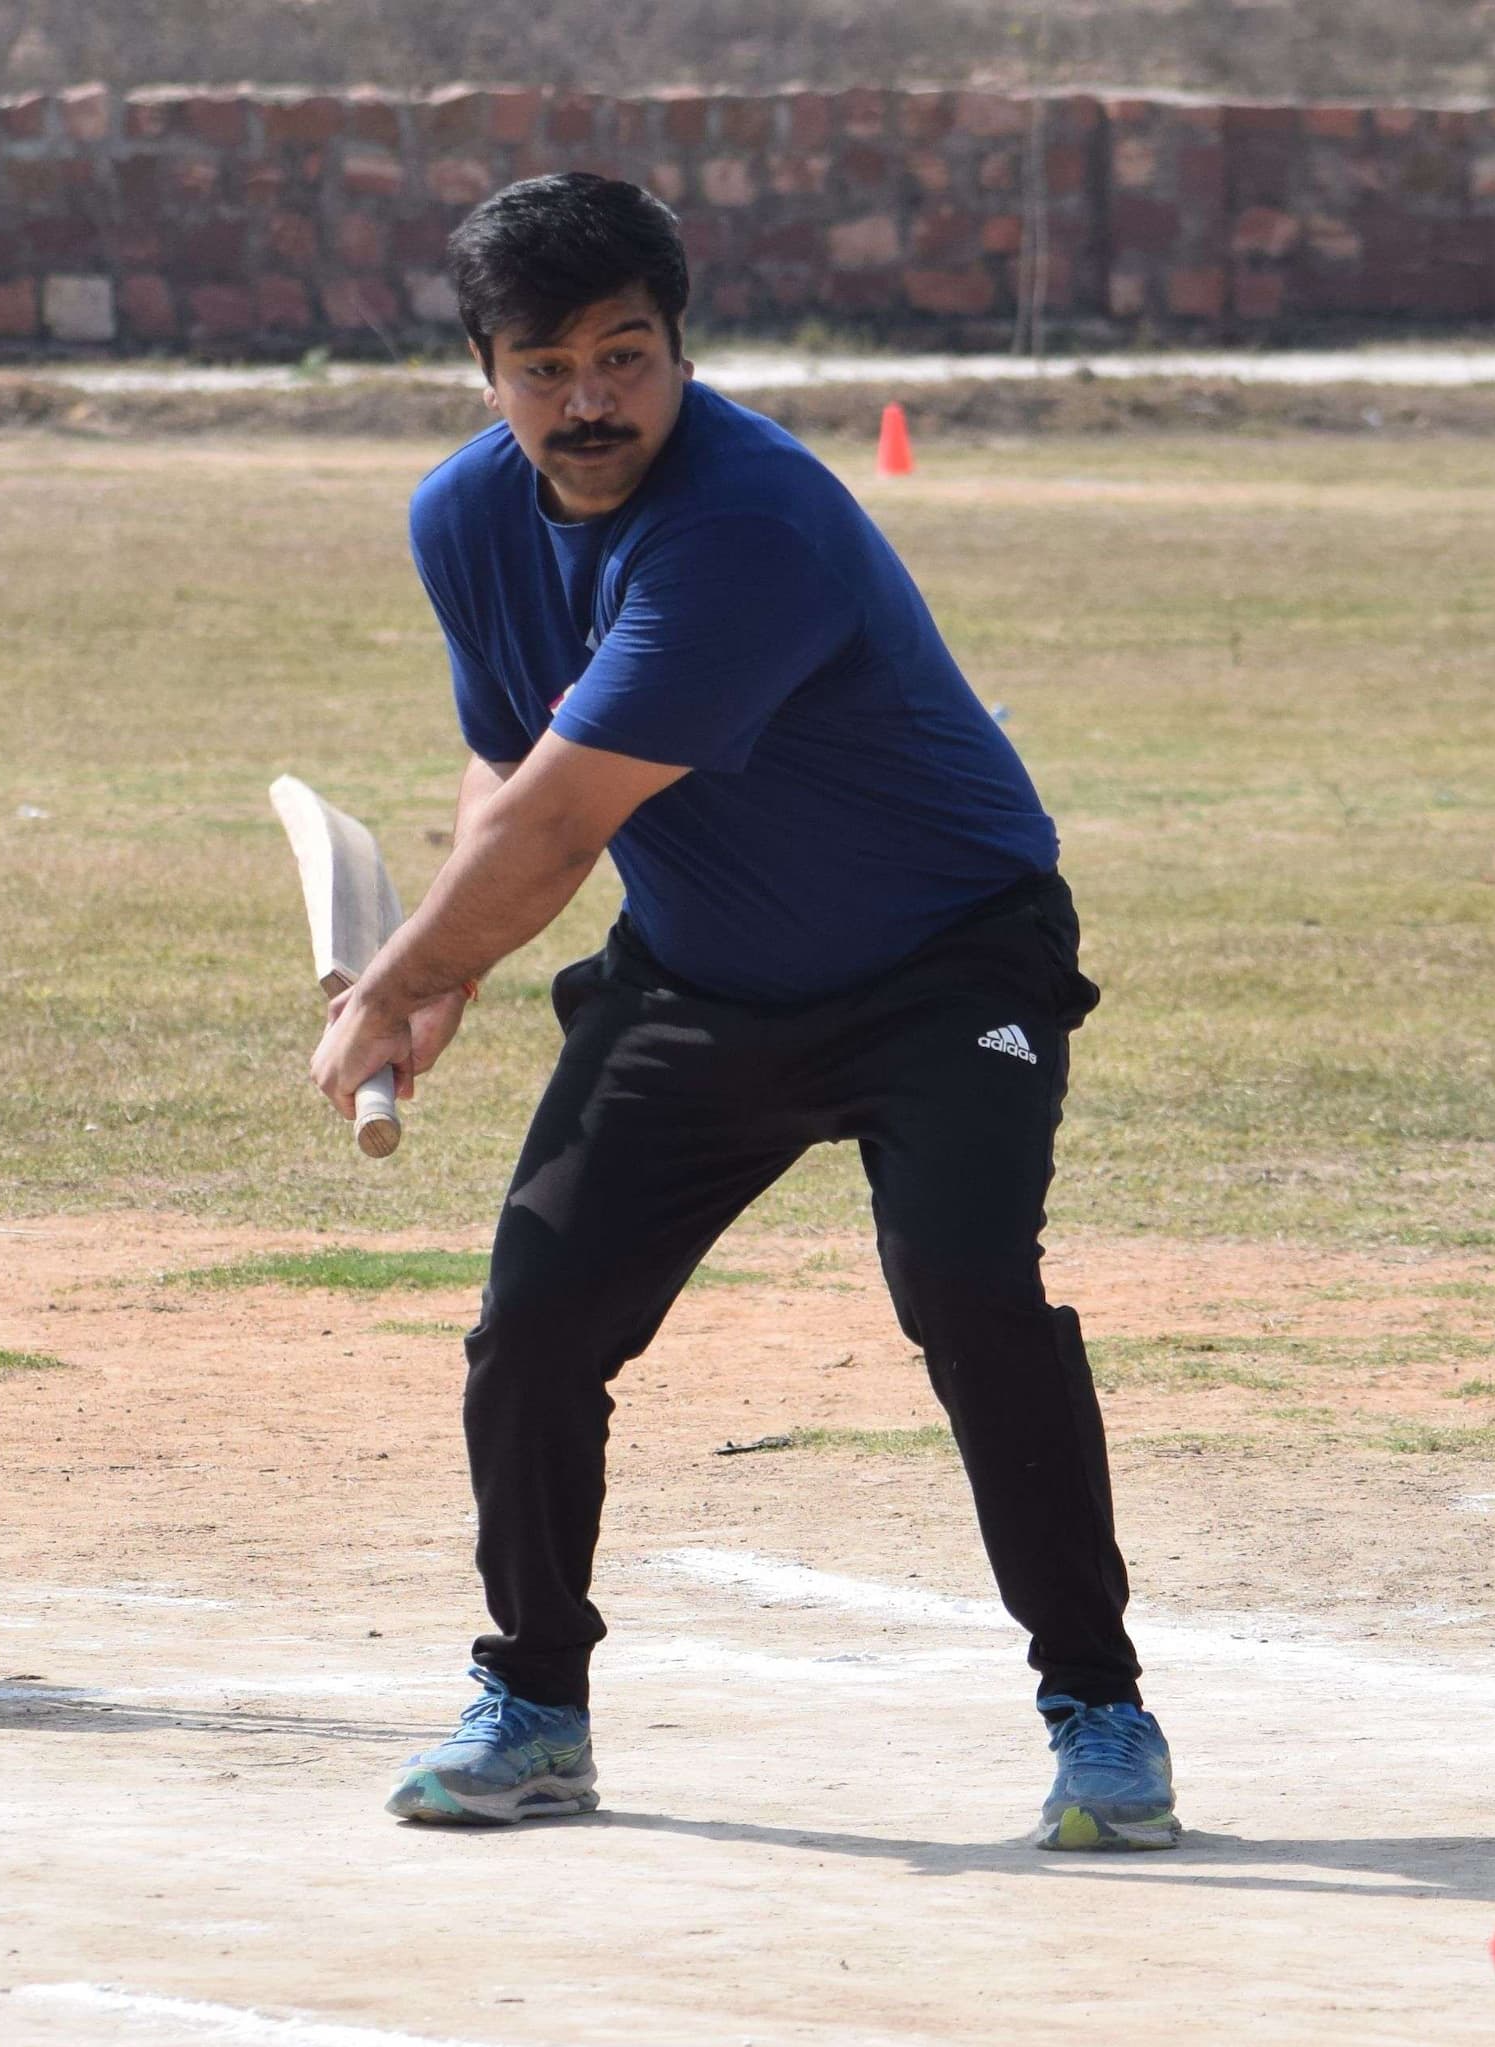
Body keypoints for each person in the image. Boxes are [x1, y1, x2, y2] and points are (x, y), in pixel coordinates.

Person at [312, 173, 1174, 1849]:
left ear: (680, 349)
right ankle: (534, 1706)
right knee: (535, 1323)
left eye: (627, 357)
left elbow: (565, 825)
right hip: (706, 971)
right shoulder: (463, 521)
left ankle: (1102, 1711)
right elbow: (514, 762)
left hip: (948, 961)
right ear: (483, 370)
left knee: (969, 1290)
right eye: (544, 367)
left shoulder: (748, 522)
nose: (591, 402)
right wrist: (453, 972)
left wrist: (408, 973)